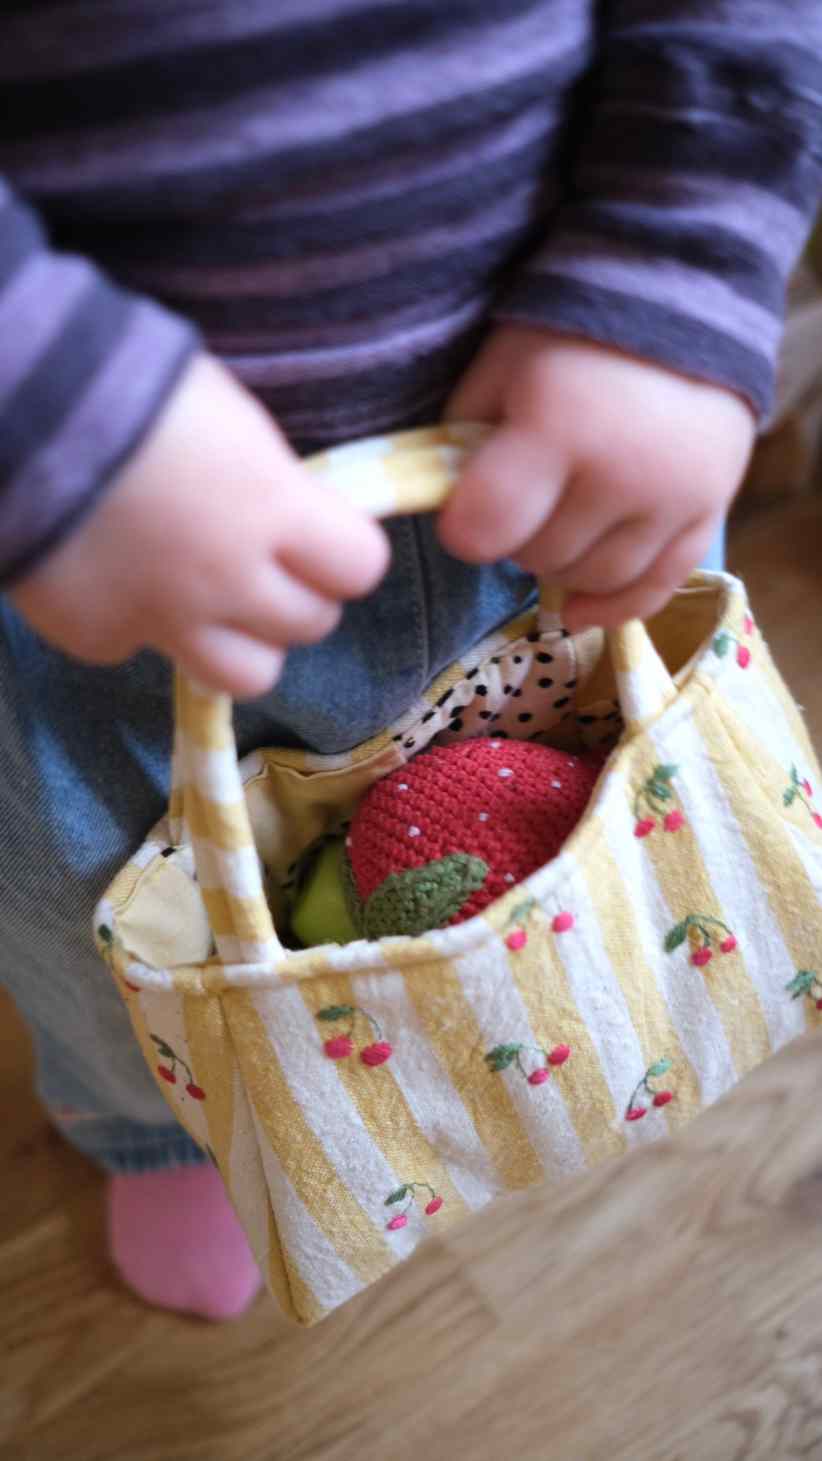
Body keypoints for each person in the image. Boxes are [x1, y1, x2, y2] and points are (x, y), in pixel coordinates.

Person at [1, 0, 820, 1320]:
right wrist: (43, 402)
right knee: (95, 910)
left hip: (582, 442)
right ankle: (160, 1126)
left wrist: (679, 252)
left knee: (620, 797)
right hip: (103, 542)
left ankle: (587, 1001)